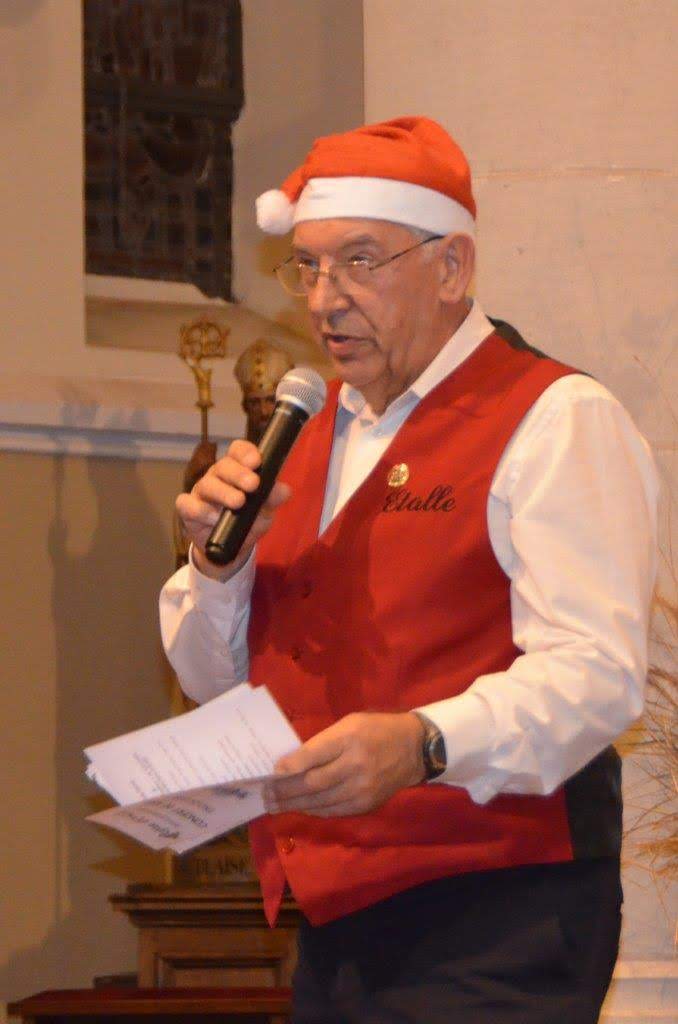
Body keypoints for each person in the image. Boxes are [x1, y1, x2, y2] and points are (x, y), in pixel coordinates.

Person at [160, 117, 658, 1023]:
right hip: (334, 923)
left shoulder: (552, 417)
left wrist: (427, 744)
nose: (325, 300)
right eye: (307, 268)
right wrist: (216, 566)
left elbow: (597, 675)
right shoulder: (301, 433)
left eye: (359, 261)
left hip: (499, 915)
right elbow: (210, 680)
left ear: (452, 267)